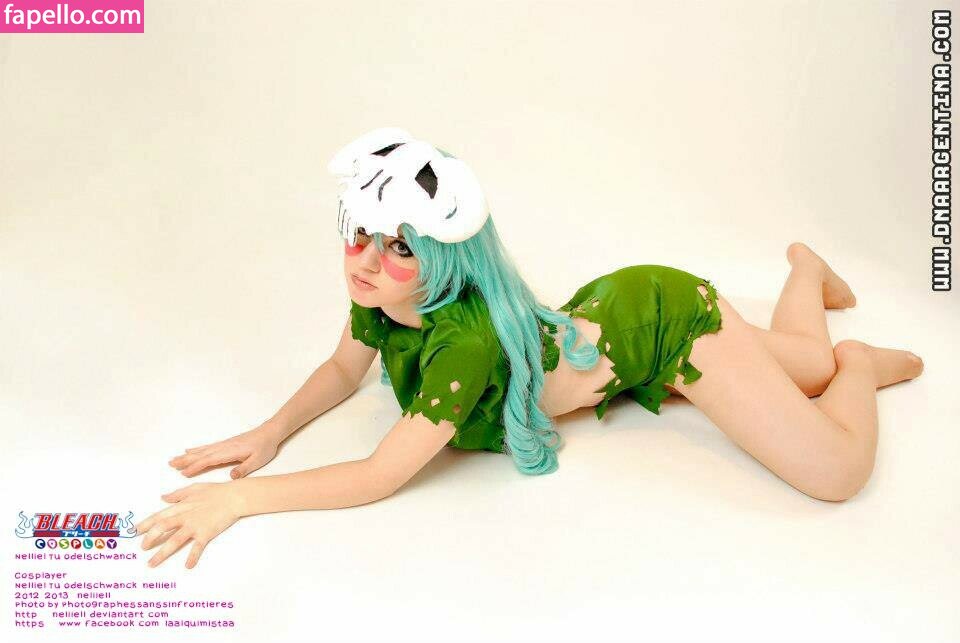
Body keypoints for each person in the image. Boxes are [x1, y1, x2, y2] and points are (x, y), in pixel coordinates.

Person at [136, 127, 924, 569]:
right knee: (806, 366)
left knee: (835, 469)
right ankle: (807, 272)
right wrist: (269, 431)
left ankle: (857, 361)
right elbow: (345, 368)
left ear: (442, 254)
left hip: (663, 323)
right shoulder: (385, 299)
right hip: (614, 315)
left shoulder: (465, 343)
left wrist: (241, 500)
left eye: (400, 246)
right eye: (361, 235)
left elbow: (380, 472)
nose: (369, 262)